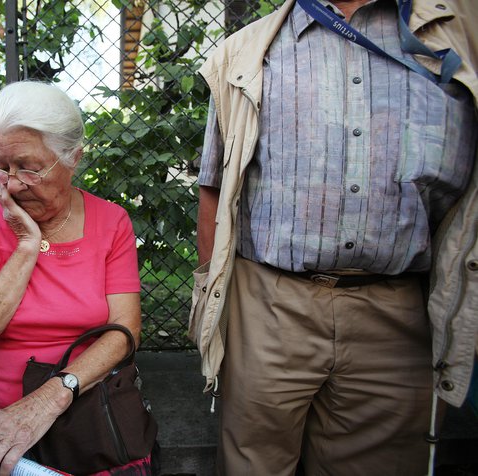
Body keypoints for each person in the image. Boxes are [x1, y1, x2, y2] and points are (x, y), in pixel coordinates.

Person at [189, 0, 477, 474]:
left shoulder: (459, 36)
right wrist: (218, 313)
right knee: (252, 463)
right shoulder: (245, 53)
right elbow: (215, 191)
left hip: (402, 312)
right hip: (269, 306)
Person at [0, 80, 153, 476]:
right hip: (0, 420)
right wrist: (26, 245)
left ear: (73, 158)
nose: (14, 183)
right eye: (1, 168)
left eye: (29, 167)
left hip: (90, 407)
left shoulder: (111, 222)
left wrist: (51, 397)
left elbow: (125, 331)